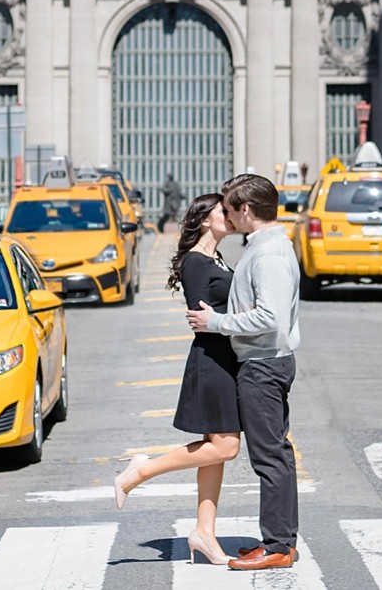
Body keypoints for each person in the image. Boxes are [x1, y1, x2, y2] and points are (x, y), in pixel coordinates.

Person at [114, 194, 241, 566]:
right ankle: (141, 470)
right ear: (205, 220)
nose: (230, 216)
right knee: (226, 447)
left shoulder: (216, 258)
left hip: (225, 360)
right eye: (224, 211)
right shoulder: (197, 263)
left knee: (214, 451)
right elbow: (204, 315)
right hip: (212, 362)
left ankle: (204, 533)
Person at [185, 173, 300, 571]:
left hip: (263, 364)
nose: (229, 217)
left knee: (270, 458)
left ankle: (278, 546)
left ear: (247, 210)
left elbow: (270, 316)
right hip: (266, 361)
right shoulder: (265, 247)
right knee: (275, 455)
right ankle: (280, 541)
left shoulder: (267, 255)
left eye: (231, 209)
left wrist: (216, 323)